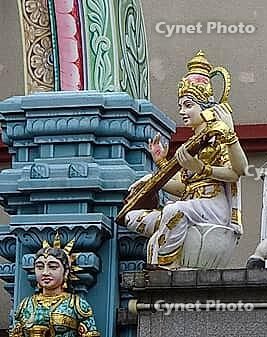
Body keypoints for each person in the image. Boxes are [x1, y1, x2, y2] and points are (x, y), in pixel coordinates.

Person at [125, 51, 248, 269]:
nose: (182, 111)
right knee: (133, 218)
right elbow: (184, 187)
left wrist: (202, 167)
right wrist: (156, 170)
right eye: (181, 105)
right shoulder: (191, 144)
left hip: (213, 205)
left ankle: (165, 266)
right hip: (191, 203)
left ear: (206, 106)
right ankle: (164, 256)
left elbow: (238, 171)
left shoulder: (217, 136)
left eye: (188, 105)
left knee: (174, 211)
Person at [10, 234, 100, 337]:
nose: (45, 272)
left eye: (53, 267)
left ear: (66, 272)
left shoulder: (76, 305)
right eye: (39, 267)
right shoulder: (25, 306)